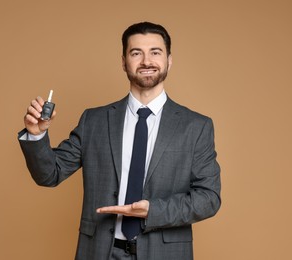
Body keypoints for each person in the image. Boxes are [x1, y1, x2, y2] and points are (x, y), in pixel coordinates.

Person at [18, 21, 221, 260]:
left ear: (169, 60)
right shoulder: (93, 120)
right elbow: (49, 175)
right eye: (136, 53)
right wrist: (36, 133)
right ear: (124, 62)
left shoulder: (196, 126)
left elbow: (208, 199)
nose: (146, 61)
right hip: (100, 252)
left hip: (165, 253)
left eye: (155, 52)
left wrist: (152, 211)